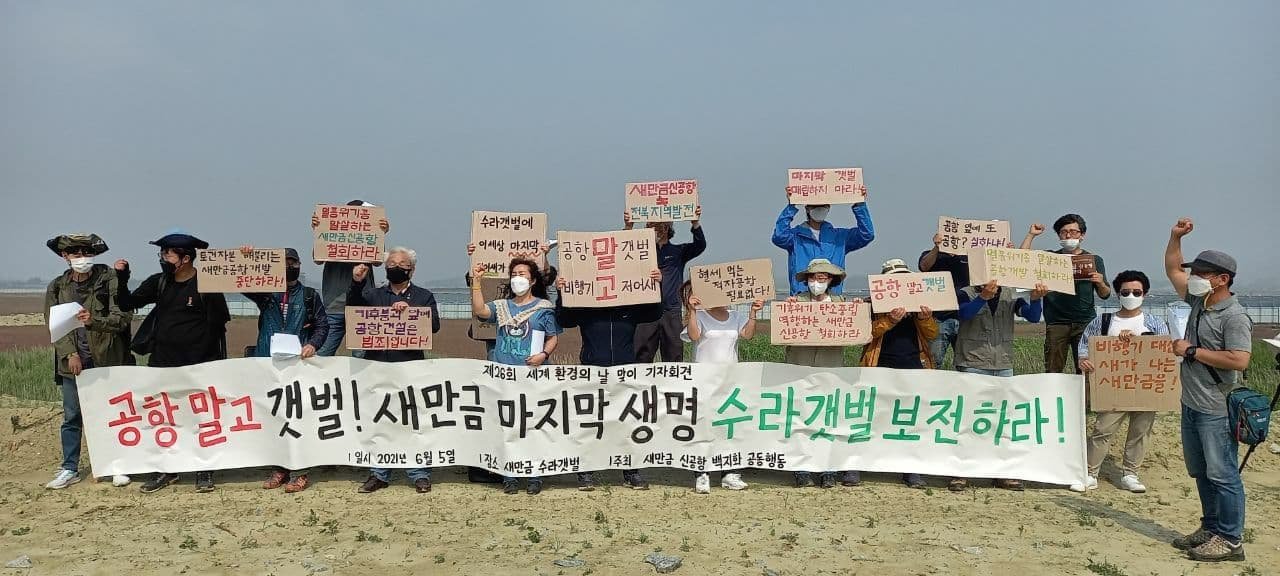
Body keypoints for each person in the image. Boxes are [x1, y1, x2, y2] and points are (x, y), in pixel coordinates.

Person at [115, 230, 231, 494]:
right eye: (162, 253)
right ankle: (166, 470)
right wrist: (123, 277)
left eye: (167, 253)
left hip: (200, 365)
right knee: (165, 419)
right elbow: (126, 302)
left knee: (202, 419)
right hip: (162, 364)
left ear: (186, 258)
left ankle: (205, 470)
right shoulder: (159, 282)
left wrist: (212, 364)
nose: (163, 258)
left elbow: (219, 325)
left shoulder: (208, 285)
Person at [1164, 218, 1252, 562]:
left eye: (1201, 273)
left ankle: (1230, 539)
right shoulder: (1201, 303)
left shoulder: (1235, 316)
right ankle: (1211, 526)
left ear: (1222, 279)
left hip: (1216, 408)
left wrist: (1190, 351)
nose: (1194, 277)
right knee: (1201, 472)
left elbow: (1240, 360)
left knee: (1223, 473)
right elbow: (1173, 268)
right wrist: (1174, 237)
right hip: (1192, 405)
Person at [555, 269, 664, 491]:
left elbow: (654, 312)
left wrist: (656, 285)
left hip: (625, 372)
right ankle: (586, 471)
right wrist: (561, 293)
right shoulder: (585, 306)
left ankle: (631, 471)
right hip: (593, 371)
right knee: (591, 423)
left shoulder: (630, 306)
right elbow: (563, 319)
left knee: (627, 422)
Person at [43, 234, 133, 490]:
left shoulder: (109, 280)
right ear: (65, 256)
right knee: (72, 416)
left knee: (112, 414)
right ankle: (69, 467)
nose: (81, 258)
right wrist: (70, 354)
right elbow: (53, 327)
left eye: (86, 252)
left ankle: (117, 464)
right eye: (75, 253)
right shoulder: (57, 286)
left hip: (107, 360)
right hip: (73, 365)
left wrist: (95, 321)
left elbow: (123, 316)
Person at [349, 246, 441, 494]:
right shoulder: (374, 295)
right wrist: (357, 283)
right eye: (390, 264)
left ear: (411, 269)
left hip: (410, 366)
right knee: (379, 421)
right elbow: (354, 310)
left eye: (400, 264)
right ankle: (379, 473)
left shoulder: (424, 296)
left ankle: (418, 472)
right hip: (377, 365)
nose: (394, 268)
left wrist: (410, 313)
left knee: (413, 420)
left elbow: (433, 325)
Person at [240, 246, 328, 493]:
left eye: (293, 261)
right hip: (267, 362)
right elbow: (242, 283)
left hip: (299, 365)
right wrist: (246, 259)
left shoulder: (310, 296)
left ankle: (300, 472)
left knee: (298, 417)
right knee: (273, 416)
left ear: (299, 265)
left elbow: (323, 326)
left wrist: (313, 344)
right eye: (284, 262)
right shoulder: (265, 294)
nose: (289, 266)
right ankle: (280, 468)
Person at [1072, 270, 1169, 494]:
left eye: (1137, 292)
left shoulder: (1155, 323)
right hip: (1112, 386)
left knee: (1140, 431)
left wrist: (1140, 342)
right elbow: (1086, 345)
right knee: (1102, 429)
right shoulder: (1104, 321)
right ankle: (1089, 473)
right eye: (1126, 292)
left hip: (1145, 386)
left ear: (1145, 294)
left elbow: (1163, 350)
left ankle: (1130, 473)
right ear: (1118, 293)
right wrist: (1084, 360)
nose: (1131, 295)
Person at [471, 256, 561, 495]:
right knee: (507, 425)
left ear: (532, 281)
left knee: (533, 425)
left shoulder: (543, 308)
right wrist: (477, 281)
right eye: (514, 274)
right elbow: (480, 311)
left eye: (522, 274)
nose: (517, 279)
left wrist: (543, 354)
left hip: (532, 374)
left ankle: (534, 475)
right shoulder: (501, 306)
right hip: (504, 373)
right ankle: (509, 474)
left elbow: (553, 336)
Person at [949, 279, 1048, 492]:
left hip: (1003, 363)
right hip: (972, 361)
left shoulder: (1011, 294)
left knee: (1002, 420)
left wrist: (1036, 299)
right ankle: (962, 472)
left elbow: (1031, 316)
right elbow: (963, 314)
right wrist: (982, 297)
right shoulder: (965, 292)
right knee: (968, 419)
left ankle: (1002, 472)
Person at [858, 259, 936, 489]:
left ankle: (911, 470)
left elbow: (932, 334)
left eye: (903, 278)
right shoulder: (870, 306)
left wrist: (925, 318)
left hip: (912, 366)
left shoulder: (918, 306)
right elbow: (866, 334)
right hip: (878, 365)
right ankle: (862, 464)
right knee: (872, 416)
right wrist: (889, 320)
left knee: (910, 419)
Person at [781, 259, 860, 489]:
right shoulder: (796, 302)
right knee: (801, 417)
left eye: (822, 278)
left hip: (831, 367)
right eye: (813, 278)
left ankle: (828, 470)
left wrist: (855, 311)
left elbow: (856, 332)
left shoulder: (841, 303)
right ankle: (801, 470)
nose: (817, 282)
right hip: (799, 366)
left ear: (831, 280)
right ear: (806, 280)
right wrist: (788, 310)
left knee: (829, 419)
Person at [680, 280, 761, 493]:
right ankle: (702, 473)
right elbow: (694, 335)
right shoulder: (702, 315)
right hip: (704, 379)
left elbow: (748, 335)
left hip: (730, 379)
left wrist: (753, 312)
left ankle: (729, 473)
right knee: (704, 425)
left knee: (728, 426)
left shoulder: (735, 316)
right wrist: (692, 311)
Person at [1023, 216, 1111, 375]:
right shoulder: (1049, 258)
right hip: (1056, 322)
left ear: (1082, 235)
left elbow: (1105, 294)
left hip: (1085, 322)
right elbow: (1022, 260)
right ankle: (1053, 399)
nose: (1068, 236)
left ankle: (1086, 400)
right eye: (1063, 232)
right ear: (1058, 236)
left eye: (1073, 232)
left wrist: (1100, 282)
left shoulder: (1094, 260)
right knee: (1052, 370)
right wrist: (1031, 235)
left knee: (1087, 370)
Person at [624, 209, 706, 363]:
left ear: (668, 228)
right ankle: (640, 387)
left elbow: (700, 245)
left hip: (671, 311)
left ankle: (673, 387)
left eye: (661, 226)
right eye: (652, 226)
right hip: (645, 311)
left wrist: (695, 223)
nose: (657, 229)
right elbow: (621, 249)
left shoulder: (678, 251)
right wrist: (628, 227)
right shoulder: (640, 251)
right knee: (640, 356)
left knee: (673, 356)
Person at [311, 200, 390, 357]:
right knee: (321, 355)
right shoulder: (331, 232)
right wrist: (320, 230)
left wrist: (380, 234)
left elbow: (378, 261)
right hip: (334, 305)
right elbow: (318, 258)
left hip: (363, 306)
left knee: (362, 358)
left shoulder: (370, 239)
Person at [771, 199, 874, 296]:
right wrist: (792, 205)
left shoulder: (840, 237)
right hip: (801, 299)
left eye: (823, 206)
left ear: (828, 207)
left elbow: (866, 234)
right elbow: (779, 237)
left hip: (832, 299)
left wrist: (860, 205)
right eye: (815, 205)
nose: (819, 209)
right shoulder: (795, 236)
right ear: (807, 208)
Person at [919, 233, 972, 369]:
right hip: (938, 318)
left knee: (967, 364)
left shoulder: (969, 257)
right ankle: (931, 389)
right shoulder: (932, 254)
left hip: (965, 318)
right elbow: (924, 266)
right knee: (933, 362)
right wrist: (937, 247)